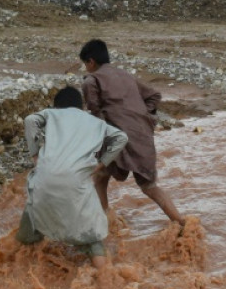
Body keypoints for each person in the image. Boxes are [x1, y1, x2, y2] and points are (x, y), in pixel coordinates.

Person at [16, 86, 128, 269]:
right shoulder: (95, 122)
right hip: (77, 180)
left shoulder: (52, 115)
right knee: (92, 234)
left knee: (33, 213)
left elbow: (30, 120)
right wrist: (103, 163)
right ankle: (105, 278)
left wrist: (35, 154)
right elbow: (121, 137)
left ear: (57, 106)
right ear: (81, 106)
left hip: (44, 176)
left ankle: (16, 265)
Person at [79, 39, 185, 225]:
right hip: (143, 136)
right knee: (149, 186)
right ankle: (181, 222)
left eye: (85, 64)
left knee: (101, 175)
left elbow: (96, 116)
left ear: (91, 62)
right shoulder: (125, 75)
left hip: (117, 137)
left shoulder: (91, 81)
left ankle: (105, 217)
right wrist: (144, 117)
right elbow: (154, 96)